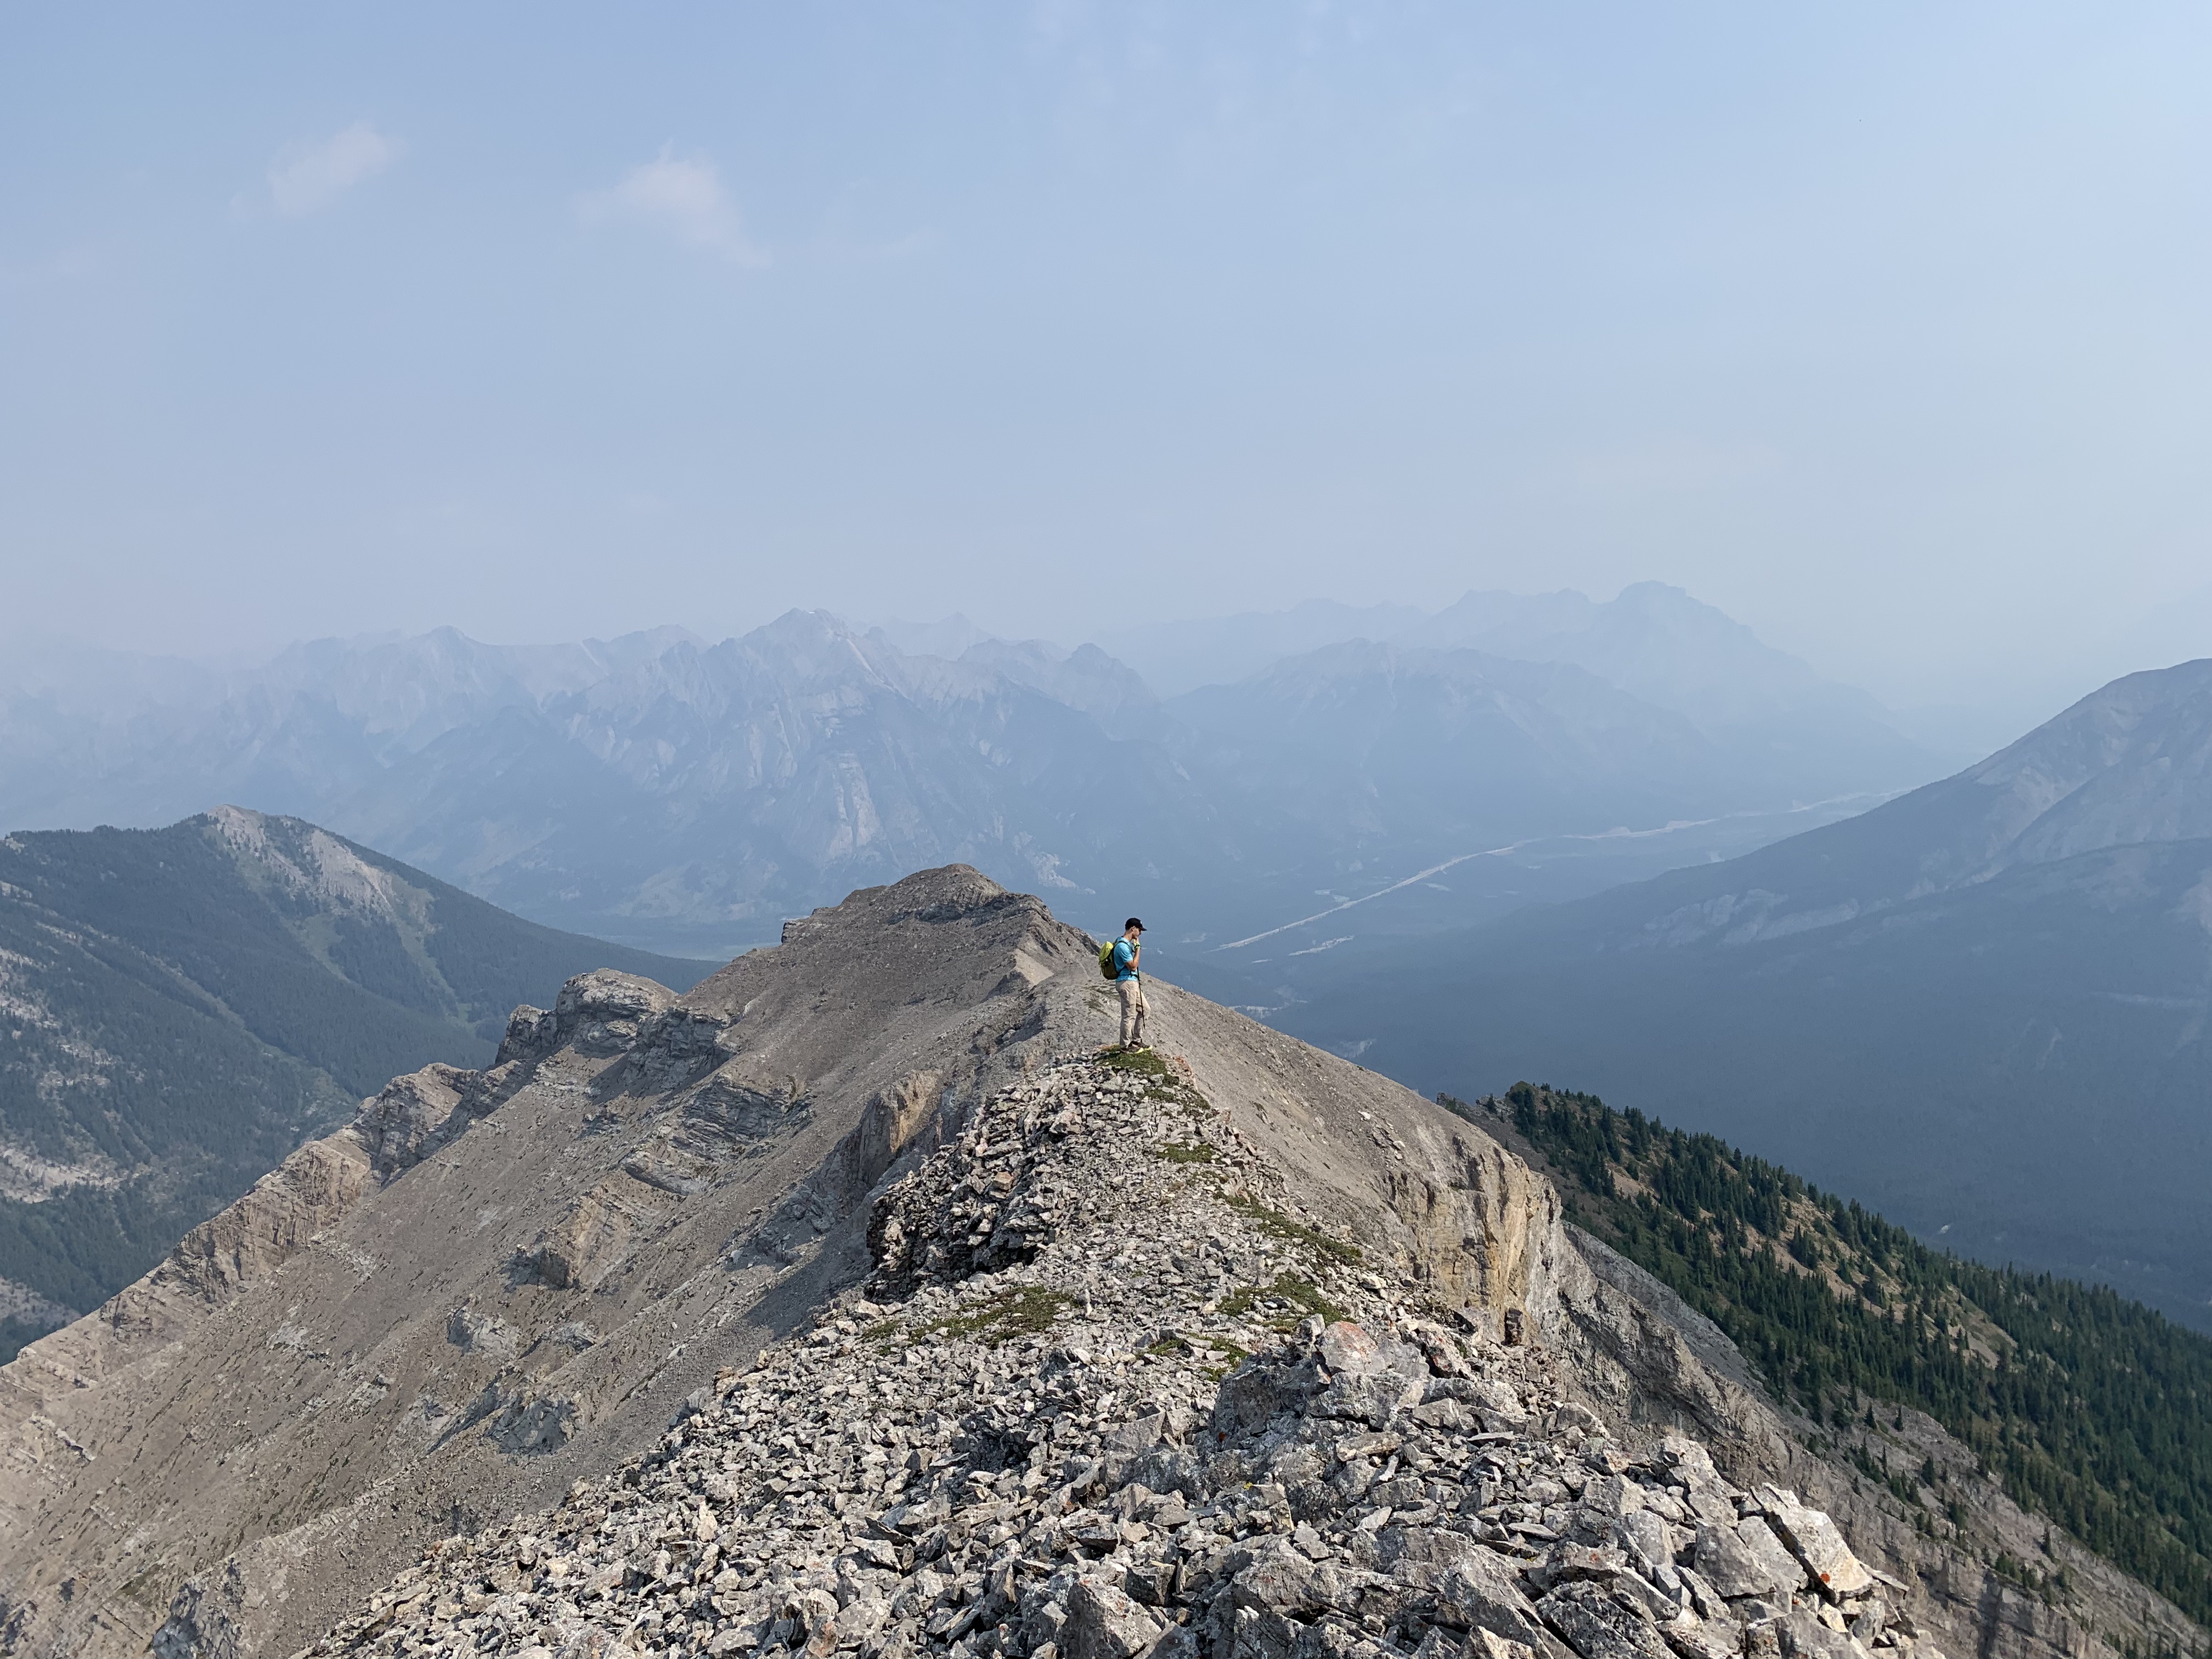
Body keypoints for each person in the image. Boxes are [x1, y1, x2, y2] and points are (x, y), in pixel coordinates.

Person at [1112, 918, 1148, 1051]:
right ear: (1133, 928)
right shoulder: (1122, 946)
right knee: (1129, 1015)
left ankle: (1137, 1041)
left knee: (1145, 1010)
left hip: (1132, 983)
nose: (1140, 933)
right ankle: (1125, 1046)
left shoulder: (1125, 945)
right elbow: (1133, 966)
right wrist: (1138, 950)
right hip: (1127, 983)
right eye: (1139, 930)